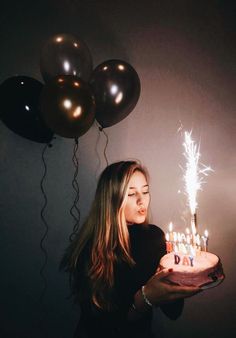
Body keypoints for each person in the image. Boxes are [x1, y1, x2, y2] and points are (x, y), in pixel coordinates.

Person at [61, 160, 201, 338]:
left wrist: (179, 276)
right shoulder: (90, 249)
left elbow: (173, 312)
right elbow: (99, 326)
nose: (142, 200)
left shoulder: (155, 237)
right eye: (131, 193)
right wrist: (144, 298)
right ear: (112, 199)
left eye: (145, 191)